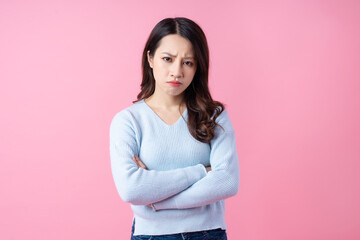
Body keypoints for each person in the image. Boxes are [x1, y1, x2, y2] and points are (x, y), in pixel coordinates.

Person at [110, 17, 240, 240]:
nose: (177, 71)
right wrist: (202, 171)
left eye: (188, 62)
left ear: (198, 66)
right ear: (150, 58)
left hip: (207, 234)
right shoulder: (128, 121)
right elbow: (131, 189)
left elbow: (227, 182)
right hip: (151, 236)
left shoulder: (213, 115)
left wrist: (158, 200)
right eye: (167, 59)